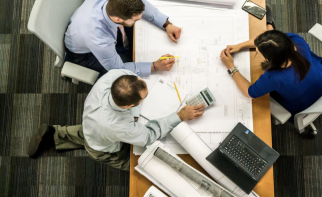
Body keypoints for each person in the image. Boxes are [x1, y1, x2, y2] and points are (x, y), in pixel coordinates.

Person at [27, 69, 205, 171]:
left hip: (92, 123)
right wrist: (179, 116)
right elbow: (148, 136)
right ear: (129, 106)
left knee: (89, 132)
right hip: (102, 146)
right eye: (143, 98)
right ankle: (141, 167)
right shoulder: (118, 126)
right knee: (138, 163)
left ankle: (55, 134)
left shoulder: (115, 76)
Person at [219, 7, 322, 119]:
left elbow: (249, 92)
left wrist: (231, 66)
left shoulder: (273, 78)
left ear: (270, 59)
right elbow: (273, 42)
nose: (257, 52)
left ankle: (270, 25)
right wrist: (239, 46)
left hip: (305, 104)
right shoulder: (296, 40)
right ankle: (270, 26)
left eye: (259, 52)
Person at [64, 0, 183, 78]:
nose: (139, 20)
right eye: (135, 20)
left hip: (85, 25)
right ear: (118, 19)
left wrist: (166, 24)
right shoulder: (99, 39)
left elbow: (143, 4)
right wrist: (155, 66)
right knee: (128, 72)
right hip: (83, 54)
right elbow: (118, 69)